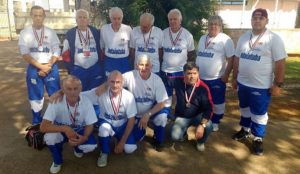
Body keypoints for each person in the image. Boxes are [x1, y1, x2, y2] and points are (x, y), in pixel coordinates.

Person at [232, 8, 287, 155]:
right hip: (243, 83)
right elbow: (237, 58)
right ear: (251, 20)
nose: (257, 20)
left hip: (261, 86)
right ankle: (245, 130)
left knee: (259, 113)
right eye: (254, 18)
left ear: (266, 21)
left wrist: (278, 84)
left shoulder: (273, 38)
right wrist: (234, 78)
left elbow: (280, 62)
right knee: (244, 108)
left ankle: (257, 138)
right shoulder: (243, 37)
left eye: (261, 18)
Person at [40, 75, 98, 174]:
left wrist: (85, 137)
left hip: (79, 131)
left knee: (90, 145)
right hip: (61, 131)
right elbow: (43, 127)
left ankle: (77, 148)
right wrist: (65, 129)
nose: (72, 92)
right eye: (69, 89)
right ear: (62, 89)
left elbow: (90, 124)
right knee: (50, 137)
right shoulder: (56, 101)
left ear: (81, 88)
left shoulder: (86, 101)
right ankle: (57, 161)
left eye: (76, 88)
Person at [84, 71, 137, 167]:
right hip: (106, 122)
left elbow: (131, 119)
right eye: (112, 82)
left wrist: (122, 142)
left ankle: (120, 138)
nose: (115, 85)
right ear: (107, 82)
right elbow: (80, 94)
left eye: (118, 82)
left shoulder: (129, 96)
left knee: (130, 149)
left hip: (122, 125)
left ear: (122, 82)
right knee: (103, 129)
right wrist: (61, 92)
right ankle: (104, 152)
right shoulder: (100, 92)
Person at [18, 5, 61, 125]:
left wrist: (49, 65)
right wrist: (42, 67)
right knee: (35, 95)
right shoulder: (24, 33)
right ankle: (37, 120)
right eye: (35, 15)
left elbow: (56, 50)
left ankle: (57, 119)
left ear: (44, 17)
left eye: (40, 15)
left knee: (55, 93)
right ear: (31, 16)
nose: (38, 18)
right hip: (34, 67)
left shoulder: (50, 32)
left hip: (51, 66)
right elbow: (25, 54)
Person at [196, 15, 235, 132]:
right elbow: (199, 55)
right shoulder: (203, 38)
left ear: (220, 26)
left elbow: (231, 59)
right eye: (211, 24)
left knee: (217, 102)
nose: (213, 26)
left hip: (216, 78)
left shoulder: (225, 39)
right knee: (202, 101)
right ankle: (203, 119)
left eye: (216, 24)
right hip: (201, 78)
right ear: (207, 26)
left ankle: (216, 121)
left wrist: (226, 75)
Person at [123, 54, 168, 151]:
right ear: (136, 66)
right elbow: (115, 80)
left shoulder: (157, 80)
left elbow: (163, 102)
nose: (144, 68)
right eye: (141, 64)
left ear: (151, 66)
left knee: (162, 117)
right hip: (135, 114)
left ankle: (157, 140)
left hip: (150, 112)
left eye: (147, 65)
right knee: (135, 138)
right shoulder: (130, 75)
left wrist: (148, 114)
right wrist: (103, 87)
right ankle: (142, 130)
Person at [160, 9, 196, 117]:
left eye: (175, 19)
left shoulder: (187, 35)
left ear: (180, 20)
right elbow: (160, 51)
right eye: (170, 19)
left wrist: (188, 69)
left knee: (180, 95)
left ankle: (179, 115)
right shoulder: (163, 33)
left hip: (180, 71)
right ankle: (166, 115)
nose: (172, 21)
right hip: (165, 70)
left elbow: (191, 53)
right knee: (166, 95)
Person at [171, 62, 213, 152]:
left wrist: (202, 125)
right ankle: (183, 133)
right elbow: (162, 80)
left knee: (208, 126)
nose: (192, 76)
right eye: (189, 73)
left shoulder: (203, 87)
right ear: (184, 73)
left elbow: (209, 109)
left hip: (198, 117)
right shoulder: (177, 81)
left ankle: (201, 142)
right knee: (175, 136)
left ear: (198, 74)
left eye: (195, 73)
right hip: (182, 116)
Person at [62, 9, 105, 91]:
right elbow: (65, 53)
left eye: (84, 17)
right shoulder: (70, 33)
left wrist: (100, 65)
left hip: (95, 68)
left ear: (88, 20)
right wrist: (71, 68)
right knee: (80, 92)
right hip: (78, 69)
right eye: (80, 17)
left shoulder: (95, 32)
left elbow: (102, 49)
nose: (82, 19)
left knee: (95, 91)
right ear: (76, 20)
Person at [100, 7, 132, 76]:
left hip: (123, 61)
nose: (116, 21)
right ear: (110, 18)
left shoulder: (128, 29)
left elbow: (130, 46)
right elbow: (102, 46)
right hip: (109, 60)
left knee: (125, 81)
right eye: (114, 18)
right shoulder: (104, 28)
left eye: (119, 18)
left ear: (122, 18)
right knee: (109, 82)